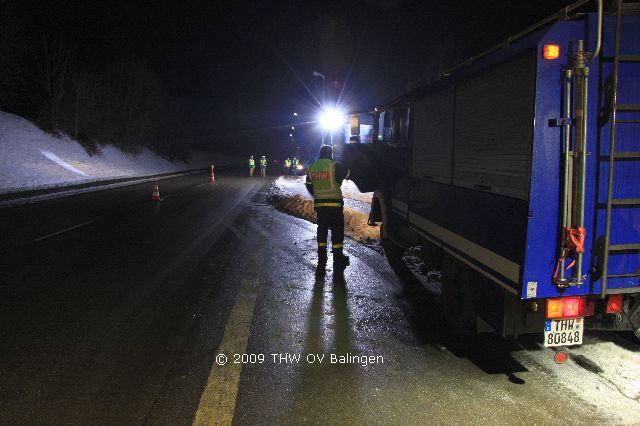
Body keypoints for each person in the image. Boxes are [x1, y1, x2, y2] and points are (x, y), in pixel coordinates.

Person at [305, 145, 351, 268]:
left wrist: (317, 194)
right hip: (335, 204)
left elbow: (309, 185)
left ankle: (322, 256)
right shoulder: (334, 165)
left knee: (322, 229)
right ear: (330, 154)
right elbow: (347, 173)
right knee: (337, 230)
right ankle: (338, 257)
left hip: (320, 205)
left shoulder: (312, 168)